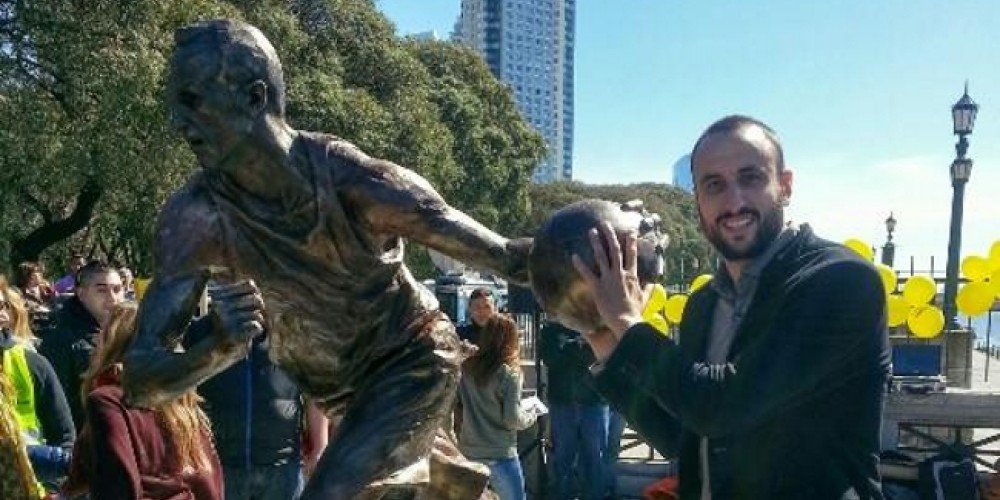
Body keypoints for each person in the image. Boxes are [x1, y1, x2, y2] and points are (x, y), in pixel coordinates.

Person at [124, 19, 530, 499]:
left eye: (191, 101)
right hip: (338, 393)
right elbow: (140, 381)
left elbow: (491, 249)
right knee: (433, 489)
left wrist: (573, 264)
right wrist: (217, 347)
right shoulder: (196, 218)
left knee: (332, 493)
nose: (177, 123)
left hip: (412, 357)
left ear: (255, 98)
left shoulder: (351, 180)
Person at [572, 115, 890, 499]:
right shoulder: (702, 306)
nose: (734, 201)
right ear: (698, 202)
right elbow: (688, 437)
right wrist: (607, 344)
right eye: (714, 185)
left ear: (785, 186)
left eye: (750, 177)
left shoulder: (842, 281)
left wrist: (627, 322)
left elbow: (722, 406)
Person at [66, 302, 222, 500]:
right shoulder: (183, 401)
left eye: (103, 333)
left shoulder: (109, 400)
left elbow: (118, 482)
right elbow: (209, 480)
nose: (96, 340)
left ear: (115, 343)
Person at [184, 318, 328, 500]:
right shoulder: (200, 332)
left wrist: (320, 446)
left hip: (281, 468)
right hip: (221, 465)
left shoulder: (291, 333)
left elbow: (314, 392)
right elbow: (181, 395)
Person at [0, 278, 76, 491]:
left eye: (2, 306)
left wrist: (52, 488)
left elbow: (65, 437)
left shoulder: (31, 363)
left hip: (29, 488)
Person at [458, 314, 536, 500]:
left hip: (470, 450)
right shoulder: (510, 373)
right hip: (500, 452)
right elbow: (512, 418)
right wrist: (531, 415)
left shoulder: (467, 367)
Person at [40, 261, 125, 429]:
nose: (112, 298)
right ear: (81, 293)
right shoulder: (61, 341)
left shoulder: (129, 333)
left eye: (117, 289)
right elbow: (54, 407)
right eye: (101, 290)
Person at [538, 320, 609, 500]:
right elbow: (550, 359)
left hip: (594, 402)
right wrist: (578, 347)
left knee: (596, 458)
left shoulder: (598, 325)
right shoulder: (551, 329)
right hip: (562, 403)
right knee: (562, 459)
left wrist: (569, 350)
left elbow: (601, 358)